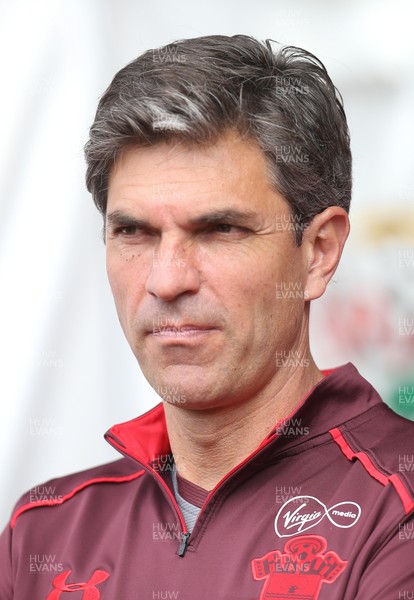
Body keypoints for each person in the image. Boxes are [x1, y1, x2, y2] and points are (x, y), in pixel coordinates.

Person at [1, 34, 413, 600]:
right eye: (134, 232)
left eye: (220, 230)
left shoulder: (399, 512)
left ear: (318, 252)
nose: (167, 279)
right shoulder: (42, 532)